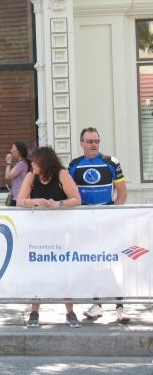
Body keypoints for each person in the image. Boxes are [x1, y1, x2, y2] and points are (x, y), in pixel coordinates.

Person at [68, 127, 130, 323]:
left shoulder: (111, 162)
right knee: (92, 264)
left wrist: (111, 217)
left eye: (96, 141)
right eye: (90, 141)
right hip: (84, 224)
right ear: (82, 143)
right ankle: (98, 304)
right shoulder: (74, 165)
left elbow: (122, 193)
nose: (94, 144)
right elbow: (71, 194)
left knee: (110, 262)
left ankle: (120, 306)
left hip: (106, 222)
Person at [16, 146, 82, 328]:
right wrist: (35, 201)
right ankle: (34, 311)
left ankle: (70, 311)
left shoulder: (62, 175)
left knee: (63, 270)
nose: (32, 165)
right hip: (37, 232)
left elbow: (76, 199)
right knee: (37, 271)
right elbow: (19, 201)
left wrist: (58, 204)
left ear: (45, 163)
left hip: (60, 231)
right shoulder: (31, 177)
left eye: (35, 162)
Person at [4, 142, 30, 206]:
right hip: (18, 196)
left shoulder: (21, 164)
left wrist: (8, 162)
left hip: (18, 197)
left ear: (18, 152)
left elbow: (8, 176)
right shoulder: (22, 163)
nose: (11, 151)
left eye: (13, 149)